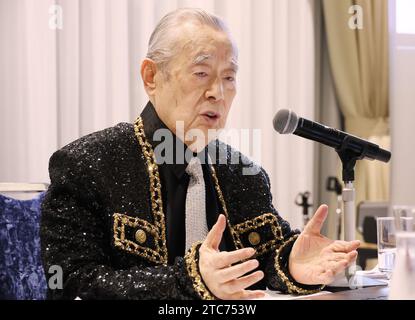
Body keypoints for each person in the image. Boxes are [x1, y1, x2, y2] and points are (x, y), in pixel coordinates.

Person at [40, 8, 360, 300]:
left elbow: (265, 257)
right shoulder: (87, 164)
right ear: (152, 77)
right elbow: (70, 283)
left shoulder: (243, 171)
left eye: (229, 77)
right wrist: (191, 280)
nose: (217, 93)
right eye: (201, 73)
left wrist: (292, 263)